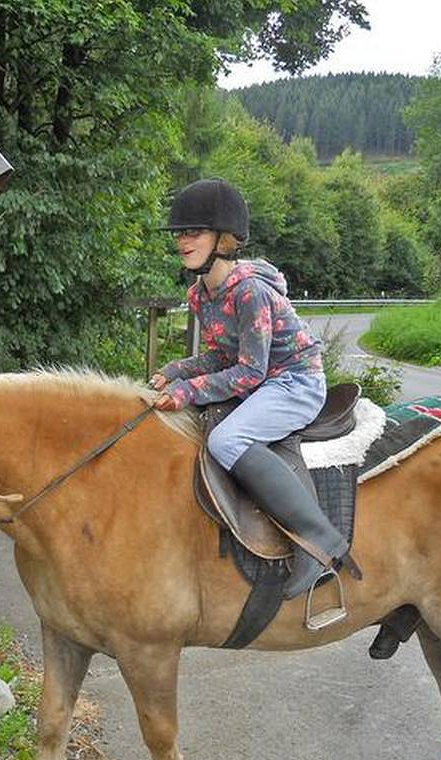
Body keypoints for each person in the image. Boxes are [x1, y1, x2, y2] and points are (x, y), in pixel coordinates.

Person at [148, 177, 358, 600]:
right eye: (180, 233)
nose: (183, 241)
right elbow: (221, 356)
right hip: (264, 381)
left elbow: (248, 372)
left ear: (224, 238)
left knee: (226, 440)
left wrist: (187, 390)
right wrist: (175, 370)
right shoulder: (200, 294)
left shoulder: (250, 292)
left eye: (194, 232)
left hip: (296, 382)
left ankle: (320, 543)